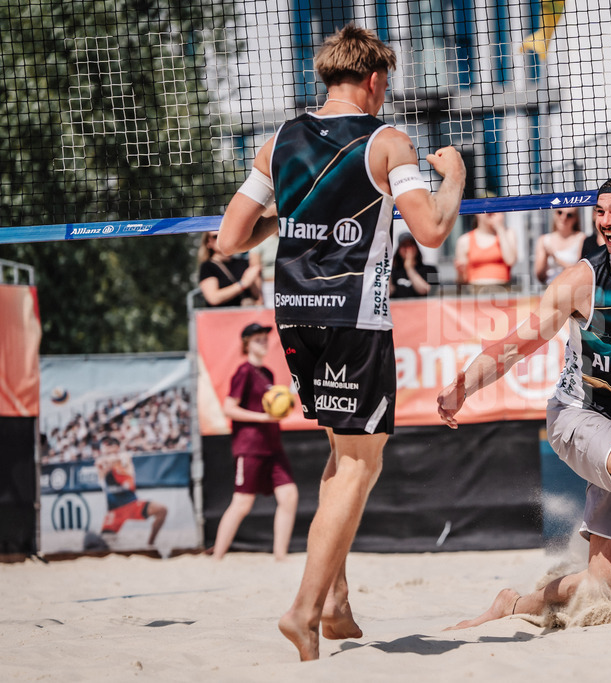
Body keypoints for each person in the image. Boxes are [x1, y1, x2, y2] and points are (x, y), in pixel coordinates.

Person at [216, 24, 466, 660]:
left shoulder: (276, 143)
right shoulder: (386, 141)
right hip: (355, 315)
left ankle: (334, 602)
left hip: (295, 310)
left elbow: (229, 238)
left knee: (341, 455)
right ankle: (303, 610)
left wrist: (292, 218)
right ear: (376, 80)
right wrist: (455, 176)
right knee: (361, 463)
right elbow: (432, 229)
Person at [438, 173, 611, 630]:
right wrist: (465, 383)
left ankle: (514, 604)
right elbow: (515, 345)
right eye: (600, 212)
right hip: (579, 415)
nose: (605, 221)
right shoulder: (581, 282)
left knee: (608, 584)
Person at [211, 323, 298, 561]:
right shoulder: (244, 371)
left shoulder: (267, 373)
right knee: (242, 503)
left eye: (265, 338)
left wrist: (274, 416)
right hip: (249, 446)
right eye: (258, 339)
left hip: (272, 445)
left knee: (289, 496)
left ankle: (280, 556)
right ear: (246, 343)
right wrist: (264, 417)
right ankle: (217, 557)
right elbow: (228, 408)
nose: (264, 342)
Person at [96, 435, 168, 547]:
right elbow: (102, 463)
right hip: (115, 511)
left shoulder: (124, 458)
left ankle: (150, 544)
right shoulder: (101, 464)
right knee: (103, 544)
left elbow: (121, 458)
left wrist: (113, 458)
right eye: (107, 448)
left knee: (162, 510)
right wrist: (109, 459)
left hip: (132, 505)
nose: (109, 450)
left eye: (111, 446)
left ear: (117, 447)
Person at [454, 212, 517, 292]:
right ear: (477, 213)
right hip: (475, 290)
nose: (491, 213)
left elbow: (510, 260)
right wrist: (460, 272)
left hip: (502, 289)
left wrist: (500, 229)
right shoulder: (464, 240)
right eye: (487, 211)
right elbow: (462, 281)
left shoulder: (508, 234)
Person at [198, 231, 263, 307]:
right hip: (221, 316)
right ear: (208, 243)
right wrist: (242, 284)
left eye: (224, 234)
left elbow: (257, 296)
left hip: (246, 315)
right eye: (216, 236)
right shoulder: (207, 266)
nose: (221, 239)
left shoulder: (242, 262)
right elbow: (213, 298)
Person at [534, 206, 584, 284]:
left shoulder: (582, 239)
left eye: (569, 215)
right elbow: (540, 276)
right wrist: (545, 258)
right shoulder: (543, 240)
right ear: (554, 214)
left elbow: (580, 272)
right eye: (560, 212)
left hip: (573, 290)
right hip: (550, 289)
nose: (564, 218)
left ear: (575, 219)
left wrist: (555, 258)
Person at [391, 232, 438, 298]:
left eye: (410, 245)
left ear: (416, 248)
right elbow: (388, 292)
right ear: (399, 250)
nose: (408, 249)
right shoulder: (392, 271)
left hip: (422, 307)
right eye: (404, 246)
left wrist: (409, 268)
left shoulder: (431, 269)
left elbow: (429, 291)